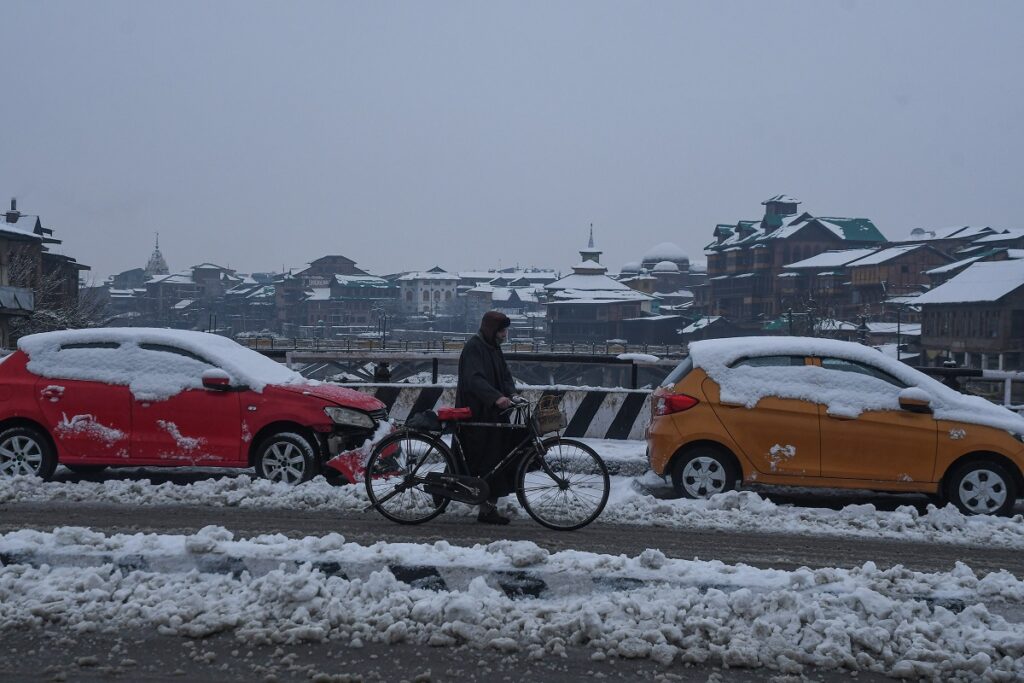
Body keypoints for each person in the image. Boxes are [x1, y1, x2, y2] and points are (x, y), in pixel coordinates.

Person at [455, 311, 519, 525]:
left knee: (497, 462)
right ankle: (484, 507)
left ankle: (487, 509)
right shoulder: (475, 347)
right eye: (501, 331)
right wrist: (496, 398)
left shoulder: (493, 348)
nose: (504, 335)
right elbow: (474, 379)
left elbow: (505, 375)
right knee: (484, 461)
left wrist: (512, 394)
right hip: (478, 414)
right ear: (492, 330)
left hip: (494, 414)